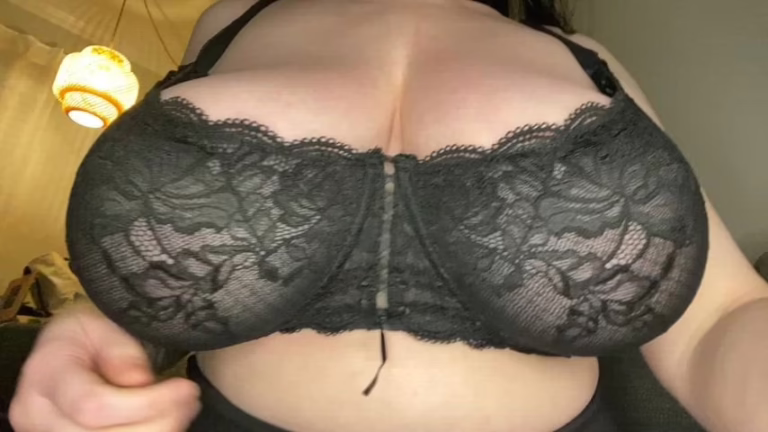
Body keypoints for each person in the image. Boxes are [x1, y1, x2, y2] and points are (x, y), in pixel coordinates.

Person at [9, 0, 768, 430]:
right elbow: (183, 229)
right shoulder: (227, 22)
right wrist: (105, 324)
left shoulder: (586, 59)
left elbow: (721, 319)